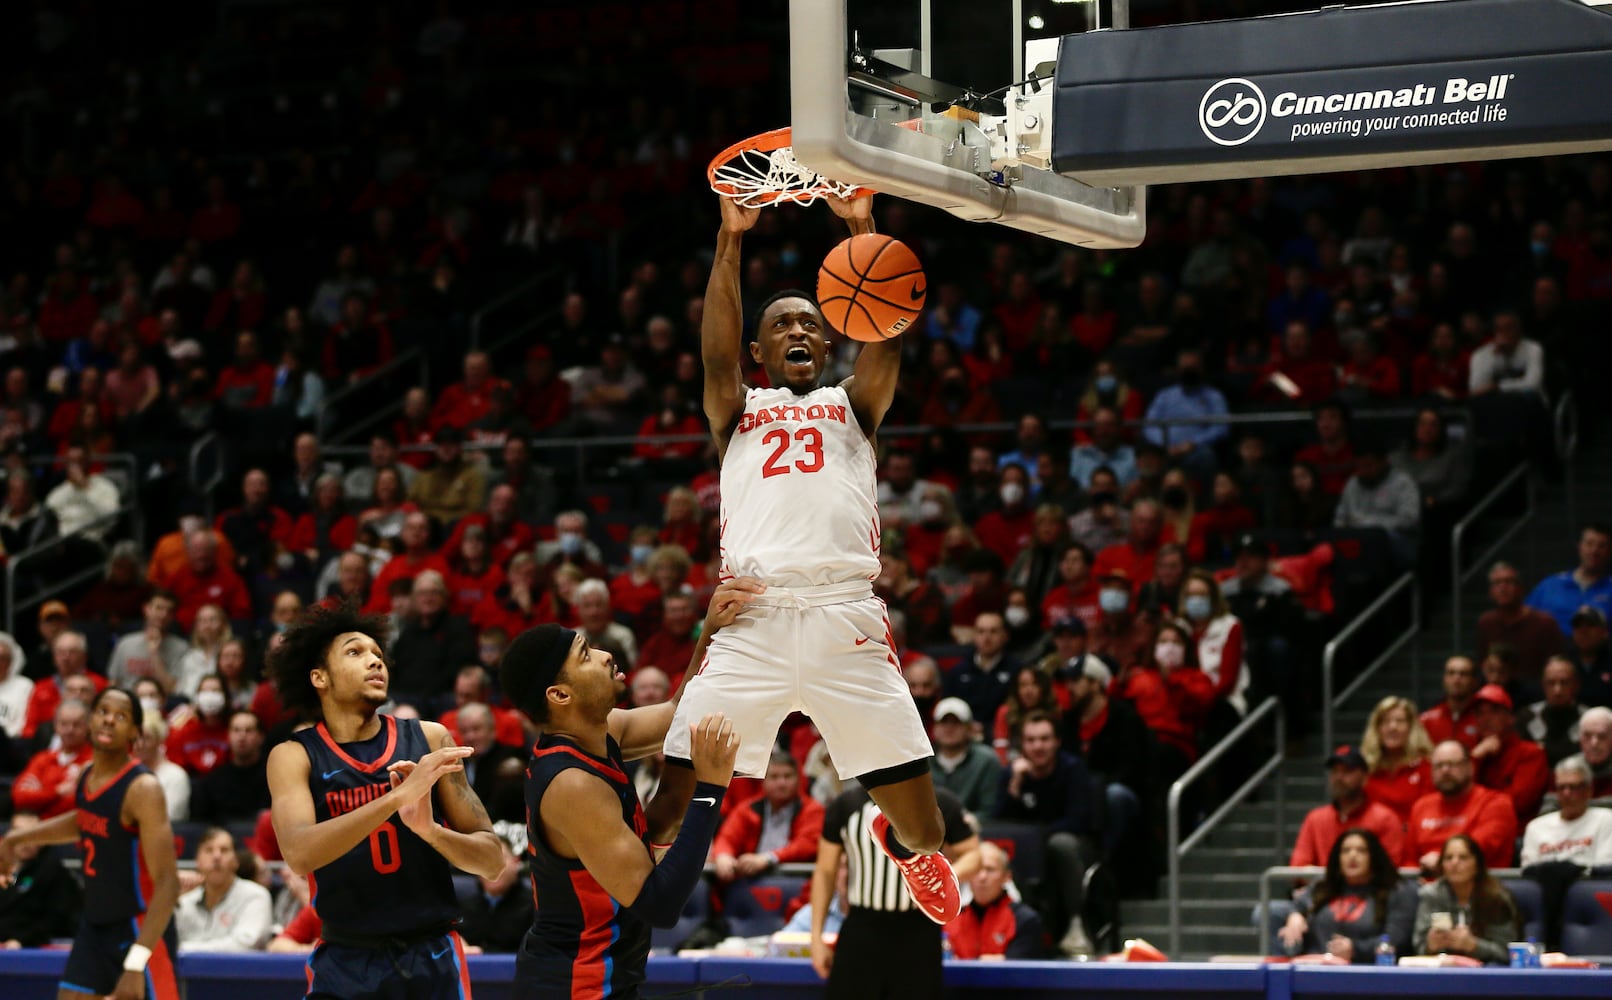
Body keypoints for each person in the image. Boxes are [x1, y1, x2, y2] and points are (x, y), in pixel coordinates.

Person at [667, 193, 962, 926]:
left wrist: (861, 228)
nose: (798, 328)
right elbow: (714, 348)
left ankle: (903, 848)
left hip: (844, 619)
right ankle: (626, 912)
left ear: (830, 344)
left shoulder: (853, 404)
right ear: (760, 351)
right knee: (665, 809)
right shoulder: (735, 407)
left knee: (929, 830)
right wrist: (731, 239)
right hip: (753, 618)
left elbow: (886, 334)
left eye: (810, 321)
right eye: (780, 324)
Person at [499, 581, 753, 1000]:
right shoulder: (571, 784)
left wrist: (710, 631)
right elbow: (660, 904)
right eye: (586, 655)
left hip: (606, 976)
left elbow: (677, 713)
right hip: (574, 984)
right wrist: (710, 788)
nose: (603, 655)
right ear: (560, 694)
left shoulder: (603, 731)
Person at [265, 601, 504, 1000]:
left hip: (433, 955)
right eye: (356, 653)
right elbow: (299, 853)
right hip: (345, 960)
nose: (375, 662)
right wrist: (395, 801)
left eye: (378, 654)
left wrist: (430, 831)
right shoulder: (294, 755)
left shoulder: (429, 738)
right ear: (319, 677)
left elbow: (492, 860)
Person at [0, 687, 182, 1000]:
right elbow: (83, 820)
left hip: (139, 930)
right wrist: (19, 837)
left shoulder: (144, 789)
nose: (109, 720)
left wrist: (136, 964)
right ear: (90, 721)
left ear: (135, 733)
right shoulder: (87, 775)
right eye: (102, 712)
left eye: (121, 716)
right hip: (95, 925)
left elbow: (168, 885)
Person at [809, 784, 979, 997]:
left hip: (918, 930)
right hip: (862, 927)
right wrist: (815, 937)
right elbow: (825, 870)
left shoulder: (938, 801)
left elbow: (974, 855)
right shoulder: (846, 804)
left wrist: (936, 881)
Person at [993, 710, 1099, 957]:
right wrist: (1015, 787)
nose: (1038, 746)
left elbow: (1080, 819)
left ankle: (1076, 924)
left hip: (1070, 845)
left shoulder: (1073, 770)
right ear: (1022, 744)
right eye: (1031, 740)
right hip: (1025, 847)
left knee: (1060, 845)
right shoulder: (1011, 774)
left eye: (1044, 739)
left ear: (1057, 741)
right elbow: (998, 823)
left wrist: (1037, 837)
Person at [1278, 829, 1417, 961]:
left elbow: (1396, 940)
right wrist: (1295, 915)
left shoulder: (1398, 891)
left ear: (1374, 856)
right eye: (1345, 851)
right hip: (1316, 966)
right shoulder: (1323, 885)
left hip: (1369, 972)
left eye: (1361, 850)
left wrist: (1356, 949)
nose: (1352, 856)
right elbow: (1298, 906)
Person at [711, 750, 825, 886]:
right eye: (774, 777)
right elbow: (727, 838)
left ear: (798, 780)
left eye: (787, 776)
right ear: (763, 781)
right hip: (750, 880)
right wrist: (723, 855)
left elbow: (806, 845)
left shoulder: (813, 809)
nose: (781, 783)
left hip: (797, 880)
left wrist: (768, 859)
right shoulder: (747, 809)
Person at [1405, 740, 1518, 870]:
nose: (1445, 770)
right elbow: (1410, 860)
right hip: (1424, 885)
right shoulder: (1421, 806)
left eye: (1452, 764)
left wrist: (1442, 860)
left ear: (1470, 767)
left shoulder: (1495, 803)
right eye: (1438, 765)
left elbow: (1478, 849)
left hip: (1479, 885)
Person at [1411, 833, 1519, 964]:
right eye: (1448, 858)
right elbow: (1418, 947)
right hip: (1442, 972)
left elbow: (1508, 953)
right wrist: (1429, 947)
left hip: (1487, 973)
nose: (1454, 863)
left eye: (1463, 857)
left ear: (1477, 865)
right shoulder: (1431, 895)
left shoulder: (1496, 897)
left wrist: (1474, 945)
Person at [1291, 746, 1406, 869]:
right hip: (1324, 887)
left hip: (1371, 888)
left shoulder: (1385, 819)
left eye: (1347, 771)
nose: (1339, 777)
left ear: (1365, 778)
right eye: (1335, 771)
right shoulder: (1315, 818)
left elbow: (1391, 868)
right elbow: (1298, 865)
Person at [173, 828, 273, 952]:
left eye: (224, 850)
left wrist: (181, 949)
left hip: (238, 971)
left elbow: (245, 945)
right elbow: (163, 942)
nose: (216, 856)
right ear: (197, 861)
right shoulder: (184, 901)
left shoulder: (256, 896)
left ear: (236, 861)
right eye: (209, 850)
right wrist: (171, 901)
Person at [945, 841, 1045, 960]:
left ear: (1006, 877)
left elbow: (1019, 970)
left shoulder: (1025, 920)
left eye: (990, 870)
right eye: (977, 870)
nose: (982, 877)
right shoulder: (949, 919)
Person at [1477, 560, 1567, 690]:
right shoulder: (1486, 622)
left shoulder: (1545, 622)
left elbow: (1557, 667)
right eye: (1497, 583)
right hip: (1497, 692)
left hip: (1536, 694)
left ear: (1520, 588)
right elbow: (1483, 665)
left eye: (1508, 582)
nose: (1503, 588)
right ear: (1490, 591)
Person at [1467, 683, 1550, 823]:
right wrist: (1475, 759)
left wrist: (1476, 804)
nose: (1485, 719)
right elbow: (1458, 798)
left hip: (1516, 832)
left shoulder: (1531, 753)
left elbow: (1518, 804)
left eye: (1494, 711)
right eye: (1479, 713)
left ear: (1510, 718)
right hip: (1474, 827)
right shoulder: (1475, 754)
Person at [0, 811, 82, 947]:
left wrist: (20, 940)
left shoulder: (54, 872)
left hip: (32, 948)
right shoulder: (3, 867)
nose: (25, 841)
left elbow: (55, 919)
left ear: (43, 839)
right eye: (19, 833)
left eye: (31, 834)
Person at [1520, 754, 1612, 868]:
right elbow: (1529, 875)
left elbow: (1604, 870)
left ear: (1589, 790)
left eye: (1573, 787)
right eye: (1561, 787)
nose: (1566, 794)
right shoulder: (1535, 827)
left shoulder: (1606, 820)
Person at [1526, 524, 1612, 639]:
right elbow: (1524, 621)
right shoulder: (1550, 585)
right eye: (1589, 544)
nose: (1594, 551)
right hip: (1554, 654)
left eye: (1601, 546)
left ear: (1609, 551)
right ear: (1580, 546)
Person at [1360, 696, 1434, 824]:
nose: (1393, 727)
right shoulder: (1365, 769)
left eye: (1400, 721)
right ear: (1377, 729)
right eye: (1385, 721)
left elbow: (1429, 814)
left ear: (1411, 728)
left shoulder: (1426, 767)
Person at [457, 833, 534, 954]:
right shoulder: (461, 906)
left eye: (500, 858)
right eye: (484, 859)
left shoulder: (536, 906)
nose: (492, 866)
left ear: (516, 862)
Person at [928, 697, 1002, 819]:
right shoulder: (923, 762)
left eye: (956, 722)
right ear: (934, 728)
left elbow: (989, 809)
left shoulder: (987, 760)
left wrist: (963, 824)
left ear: (969, 728)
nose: (949, 728)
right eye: (943, 722)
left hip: (973, 831)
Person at [1420, 655, 1481, 750]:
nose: (1457, 679)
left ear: (1474, 681)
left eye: (1463, 674)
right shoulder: (1426, 720)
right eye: (1451, 673)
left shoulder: (1483, 720)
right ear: (1444, 679)